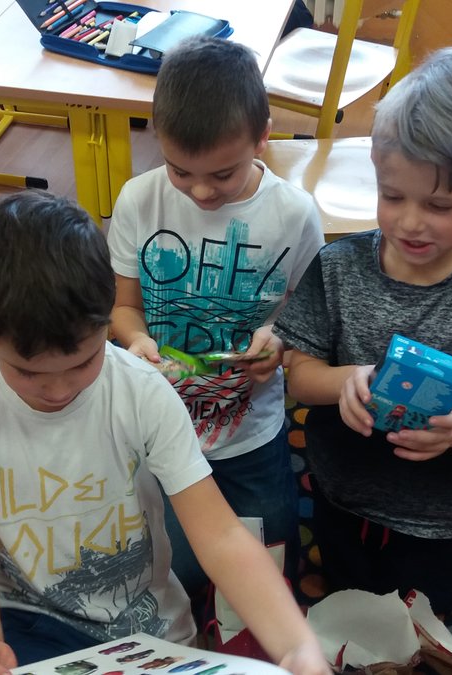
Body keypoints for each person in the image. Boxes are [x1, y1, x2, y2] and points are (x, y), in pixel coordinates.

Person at [0, 191, 329, 675]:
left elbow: (220, 534)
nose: (58, 390)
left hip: (148, 626)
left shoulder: (143, 392)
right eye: (27, 372)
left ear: (108, 311)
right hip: (31, 625)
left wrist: (295, 645)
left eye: (83, 362)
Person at [273, 48, 452, 615]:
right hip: (340, 491)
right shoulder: (338, 267)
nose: (410, 221)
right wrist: (345, 381)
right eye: (392, 196)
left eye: (439, 204)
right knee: (341, 596)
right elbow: (300, 376)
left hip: (440, 514)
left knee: (427, 616)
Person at [107, 36, 324, 601]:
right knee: (177, 576)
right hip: (160, 429)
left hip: (251, 432)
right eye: (179, 171)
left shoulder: (293, 214)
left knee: (272, 568)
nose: (201, 191)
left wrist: (279, 340)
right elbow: (123, 307)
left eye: (223, 175)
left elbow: (310, 318)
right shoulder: (139, 200)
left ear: (263, 136)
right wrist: (134, 341)